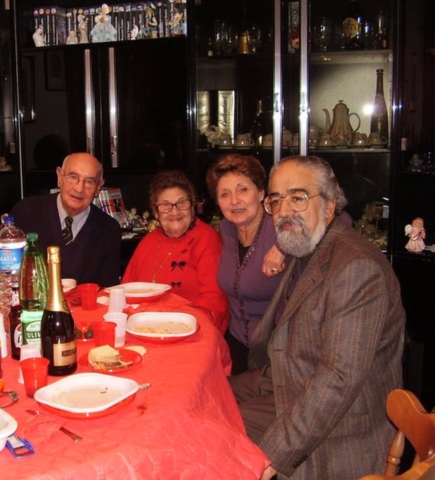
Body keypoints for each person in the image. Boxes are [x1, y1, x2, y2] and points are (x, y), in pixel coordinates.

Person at [229, 156, 405, 479]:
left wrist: (275, 456)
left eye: (297, 198)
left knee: (222, 435)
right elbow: (296, 353)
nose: (284, 211)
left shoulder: (357, 268)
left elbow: (338, 380)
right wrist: (220, 386)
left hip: (342, 428)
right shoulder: (307, 248)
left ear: (329, 206)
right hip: (297, 388)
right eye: (276, 200)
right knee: (211, 404)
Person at [0, 153, 121, 287]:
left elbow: (108, 290)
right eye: (73, 177)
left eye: (89, 181)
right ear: (60, 177)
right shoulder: (26, 212)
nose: (79, 188)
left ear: (98, 187)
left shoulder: (108, 229)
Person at [206, 154, 286, 374]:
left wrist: (283, 247)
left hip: (278, 351)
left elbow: (338, 220)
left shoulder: (282, 225)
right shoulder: (226, 229)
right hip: (237, 345)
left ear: (261, 193)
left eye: (242, 190)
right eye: (225, 194)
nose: (234, 201)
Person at [122, 170, 229, 334]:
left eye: (181, 203)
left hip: (191, 330)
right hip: (144, 328)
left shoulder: (206, 239)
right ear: (155, 211)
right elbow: (126, 291)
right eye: (165, 205)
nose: (174, 211)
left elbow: (214, 298)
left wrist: (185, 326)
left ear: (192, 206)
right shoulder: (148, 241)